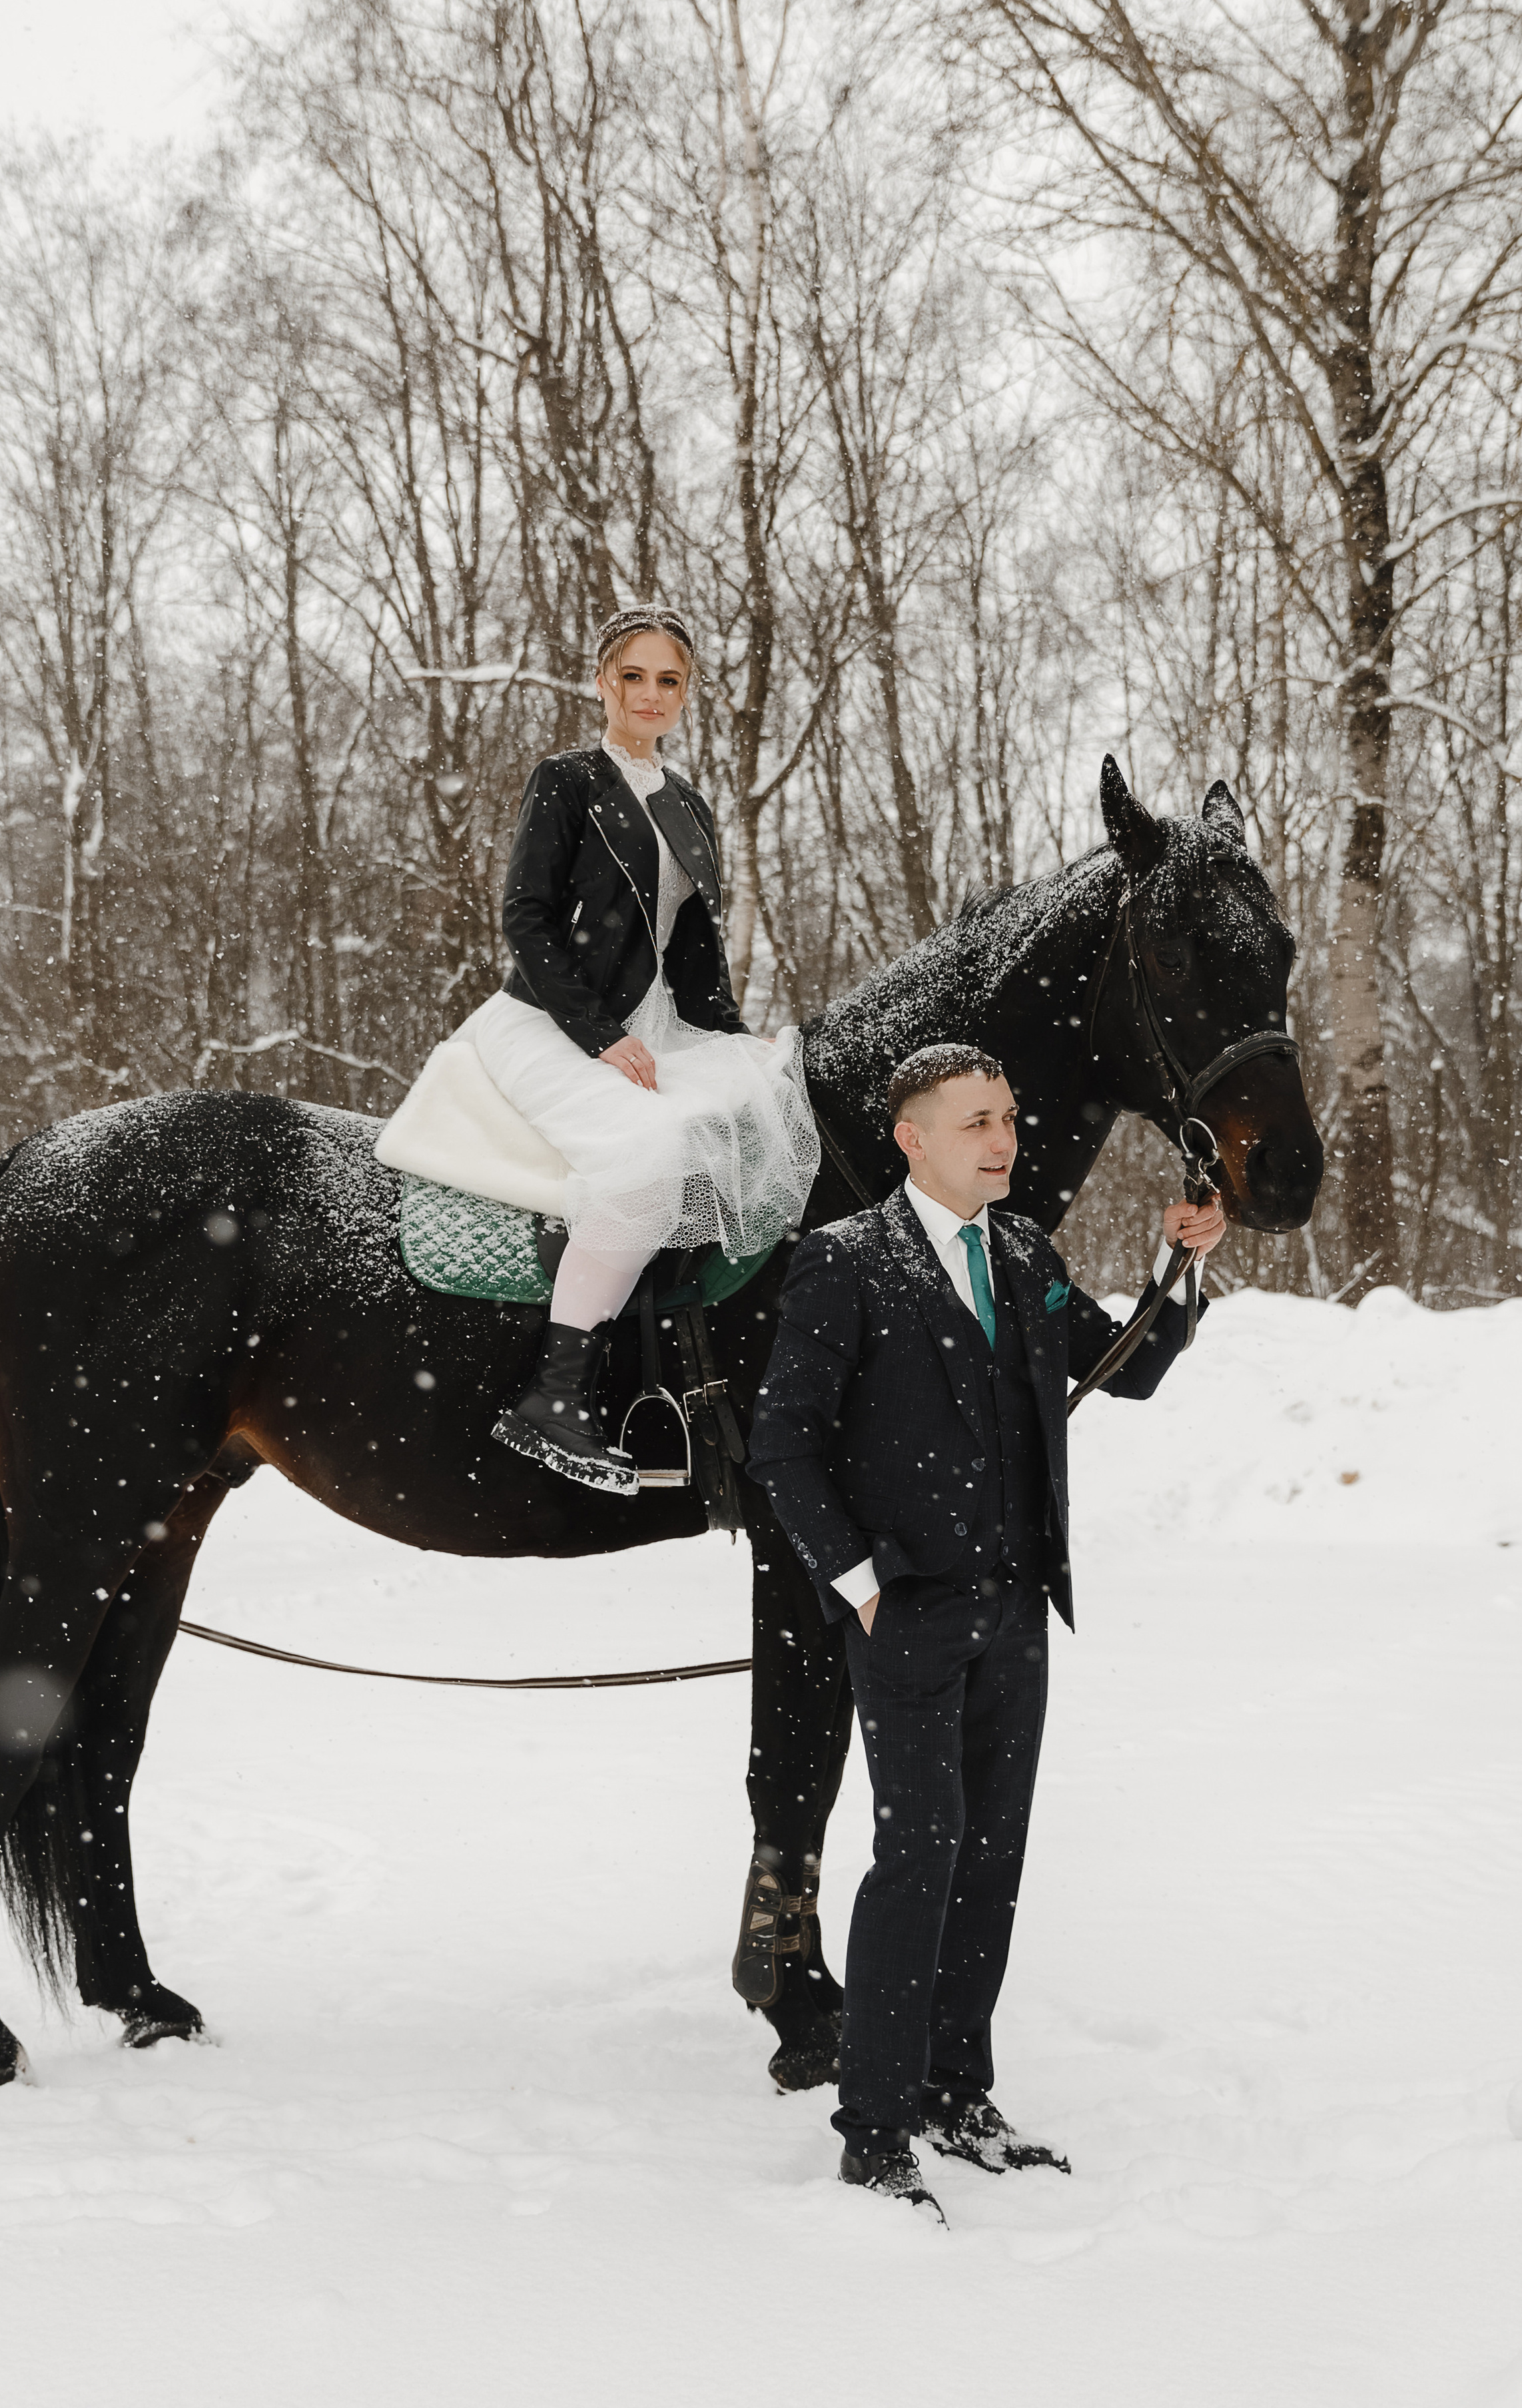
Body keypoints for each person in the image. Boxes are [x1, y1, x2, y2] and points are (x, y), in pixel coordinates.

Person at [747, 1041, 1226, 2220]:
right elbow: (781, 1443)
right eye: (976, 1122)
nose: (1004, 1139)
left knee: (991, 1860)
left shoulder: (1023, 1255)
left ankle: (960, 2091)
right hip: (903, 1615)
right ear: (913, 1139)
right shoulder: (843, 1264)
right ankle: (875, 2127)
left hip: (1018, 1613)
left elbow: (1133, 1366)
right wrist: (854, 1578)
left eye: (1008, 1116)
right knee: (919, 1858)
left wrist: (1188, 1265)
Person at [468, 605, 819, 1494]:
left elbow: (696, 950)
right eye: (635, 677)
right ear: (602, 683)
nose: (652, 695)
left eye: (670, 680)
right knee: (650, 1162)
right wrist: (599, 1034)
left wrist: (733, 1041)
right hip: (558, 1023)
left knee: (774, 1116)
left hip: (665, 1028)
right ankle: (556, 1395)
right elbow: (527, 917)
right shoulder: (568, 781)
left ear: (687, 692)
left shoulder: (690, 806)